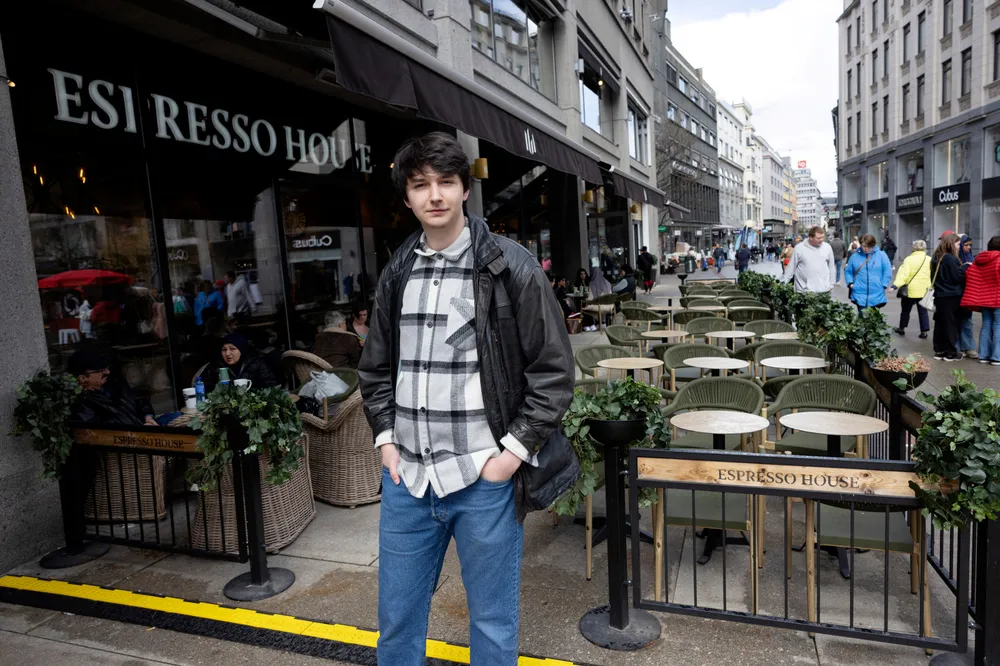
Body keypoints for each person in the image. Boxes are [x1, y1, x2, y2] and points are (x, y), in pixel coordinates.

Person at [358, 132, 573, 666]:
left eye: (445, 182)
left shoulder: (510, 265)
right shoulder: (398, 271)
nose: (434, 195)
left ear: (464, 190)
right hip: (409, 479)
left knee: (493, 626)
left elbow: (553, 372)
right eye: (420, 185)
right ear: (407, 197)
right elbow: (376, 368)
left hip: (482, 478)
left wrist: (509, 458)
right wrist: (385, 441)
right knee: (396, 623)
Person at [69, 348, 157, 426]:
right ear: (83, 377)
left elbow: (139, 400)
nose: (107, 372)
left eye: (107, 368)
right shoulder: (83, 404)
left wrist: (148, 417)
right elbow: (101, 430)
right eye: (102, 370)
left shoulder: (114, 384)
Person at [960, 235, 1000, 366]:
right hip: (997, 299)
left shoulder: (979, 259)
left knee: (986, 325)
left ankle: (983, 355)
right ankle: (996, 356)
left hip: (984, 300)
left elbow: (969, 273)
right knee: (998, 326)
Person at [930, 233, 968, 362]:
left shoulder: (936, 257)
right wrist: (965, 267)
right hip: (952, 295)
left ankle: (939, 350)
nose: (959, 247)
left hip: (940, 295)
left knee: (940, 323)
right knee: (951, 324)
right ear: (951, 244)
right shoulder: (950, 259)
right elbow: (956, 277)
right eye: (957, 244)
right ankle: (950, 352)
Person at [202, 333, 279, 391]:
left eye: (232, 349)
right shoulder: (216, 366)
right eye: (224, 350)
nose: (227, 353)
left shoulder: (257, 363)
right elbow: (206, 389)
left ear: (242, 349)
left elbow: (270, 385)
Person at [892, 240, 932, 339]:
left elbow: (904, 274)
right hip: (924, 290)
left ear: (913, 248)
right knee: (923, 311)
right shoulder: (929, 259)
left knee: (905, 310)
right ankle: (924, 332)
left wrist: (895, 285)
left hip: (910, 290)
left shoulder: (909, 259)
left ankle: (902, 328)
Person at [845, 234, 893, 312]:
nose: (866, 249)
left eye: (869, 246)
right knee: (862, 316)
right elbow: (848, 272)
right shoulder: (854, 257)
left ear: (873, 245)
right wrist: (851, 283)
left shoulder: (881, 256)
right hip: (859, 293)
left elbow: (887, 271)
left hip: (877, 292)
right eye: (864, 246)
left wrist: (883, 284)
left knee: (875, 317)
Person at [784, 226, 836, 294]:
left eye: (822, 237)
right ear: (810, 237)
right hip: (803, 291)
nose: (821, 240)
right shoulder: (799, 248)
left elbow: (831, 266)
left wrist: (832, 284)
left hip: (823, 290)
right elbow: (791, 268)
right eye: (818, 238)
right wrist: (783, 284)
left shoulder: (827, 247)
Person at [958, 235, 978, 359]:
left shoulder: (971, 258)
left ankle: (968, 347)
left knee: (967, 321)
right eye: (966, 245)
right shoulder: (956, 258)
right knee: (958, 321)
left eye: (970, 245)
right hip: (957, 294)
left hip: (968, 294)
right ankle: (960, 347)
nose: (969, 247)